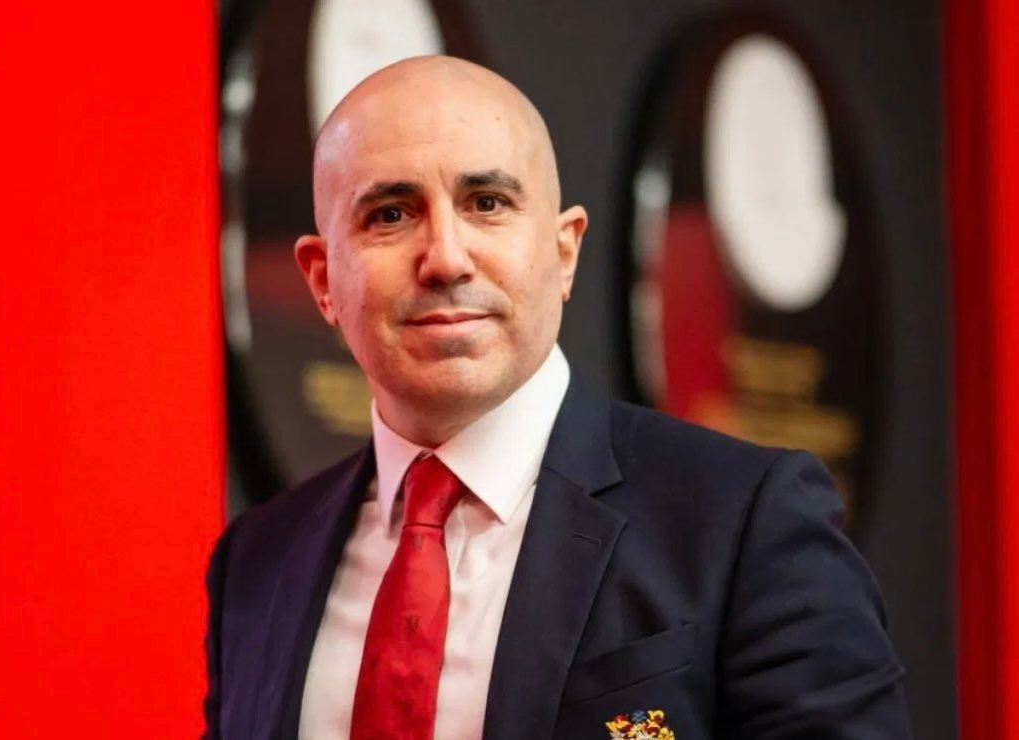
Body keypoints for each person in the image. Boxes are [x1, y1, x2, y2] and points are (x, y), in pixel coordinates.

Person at [203, 56, 911, 740]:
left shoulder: (743, 521)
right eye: (390, 214)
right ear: (323, 280)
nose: (445, 257)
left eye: (487, 204)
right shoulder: (259, 560)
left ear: (564, 252)